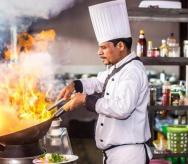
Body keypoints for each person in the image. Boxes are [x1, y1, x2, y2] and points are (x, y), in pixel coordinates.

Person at [57, 0, 152, 163]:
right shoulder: (118, 67)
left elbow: (122, 109)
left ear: (120, 45)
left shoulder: (132, 71)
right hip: (116, 154)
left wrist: (86, 99)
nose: (99, 52)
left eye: (104, 47)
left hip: (128, 156)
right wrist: (75, 84)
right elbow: (98, 82)